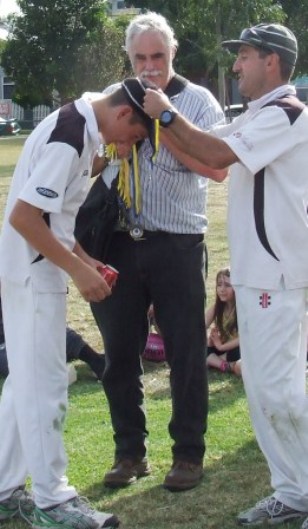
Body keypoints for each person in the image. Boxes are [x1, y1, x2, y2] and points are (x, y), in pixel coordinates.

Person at [143, 22, 308, 527]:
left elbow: (214, 154)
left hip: (279, 276)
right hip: (258, 277)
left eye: (244, 56)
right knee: (262, 388)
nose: (236, 66)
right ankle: (292, 491)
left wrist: (165, 111)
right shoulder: (258, 113)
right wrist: (153, 124)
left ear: (272, 61)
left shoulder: (287, 113)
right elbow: (205, 150)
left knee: (281, 390)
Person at [0, 78, 153, 529]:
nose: (128, 148)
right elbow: (24, 217)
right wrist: (78, 270)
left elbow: (53, 224)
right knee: (46, 387)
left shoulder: (81, 129)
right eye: (136, 138)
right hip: (32, 274)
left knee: (24, 387)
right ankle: (54, 500)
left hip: (32, 270)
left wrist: (87, 260)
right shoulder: (70, 136)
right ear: (124, 114)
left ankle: (5, 488)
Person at [90, 11, 226, 493]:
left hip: (177, 243)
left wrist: (163, 121)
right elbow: (89, 159)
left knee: (187, 354)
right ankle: (130, 453)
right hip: (120, 242)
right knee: (120, 356)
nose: (149, 67)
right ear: (129, 58)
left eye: (158, 56)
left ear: (173, 54)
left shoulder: (199, 100)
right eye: (140, 58)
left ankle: (188, 455)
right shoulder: (116, 94)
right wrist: (110, 151)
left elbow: (217, 169)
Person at [205, 267, 241, 375]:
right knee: (200, 347)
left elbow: (244, 339)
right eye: (219, 285)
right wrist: (211, 340)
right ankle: (225, 365)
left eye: (227, 285)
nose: (222, 289)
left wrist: (221, 346)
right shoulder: (217, 307)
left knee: (242, 350)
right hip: (222, 348)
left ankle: (213, 361)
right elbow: (199, 327)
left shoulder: (241, 309)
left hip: (236, 349)